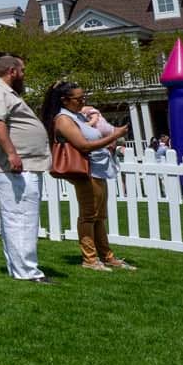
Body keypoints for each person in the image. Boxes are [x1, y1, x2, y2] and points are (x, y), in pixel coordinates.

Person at [0, 55, 54, 284]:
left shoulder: (4, 92)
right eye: (23, 70)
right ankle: (27, 272)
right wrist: (12, 153)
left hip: (21, 164)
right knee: (21, 218)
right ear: (12, 71)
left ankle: (20, 269)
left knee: (19, 217)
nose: (24, 75)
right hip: (14, 166)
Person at [42, 84, 134, 272]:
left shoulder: (77, 116)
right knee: (89, 216)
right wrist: (113, 136)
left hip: (97, 170)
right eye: (79, 99)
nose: (83, 101)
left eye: (84, 97)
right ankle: (90, 259)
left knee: (99, 216)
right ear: (65, 100)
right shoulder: (63, 119)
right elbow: (83, 146)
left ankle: (107, 256)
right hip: (86, 171)